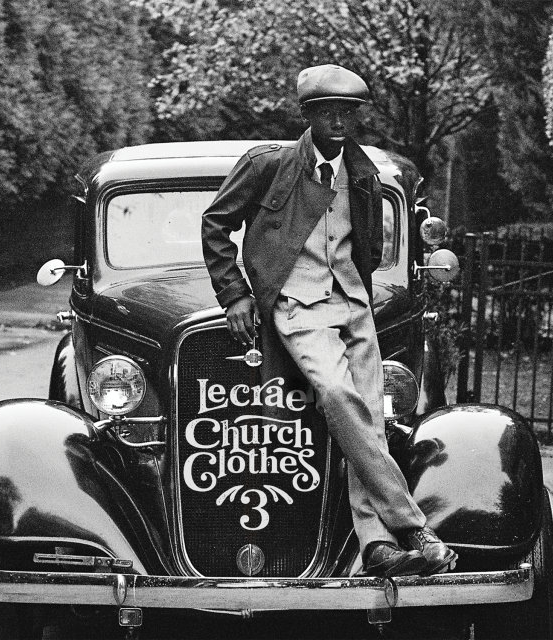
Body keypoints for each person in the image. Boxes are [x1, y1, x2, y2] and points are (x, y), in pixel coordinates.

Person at [201, 64, 457, 577]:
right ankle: (413, 526)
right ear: (307, 115)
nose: (338, 122)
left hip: (354, 304)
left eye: (348, 113)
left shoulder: (363, 174)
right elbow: (216, 224)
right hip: (297, 304)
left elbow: (367, 248)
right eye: (327, 112)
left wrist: (358, 290)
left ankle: (376, 546)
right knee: (339, 396)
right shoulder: (268, 165)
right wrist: (235, 295)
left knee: (369, 419)